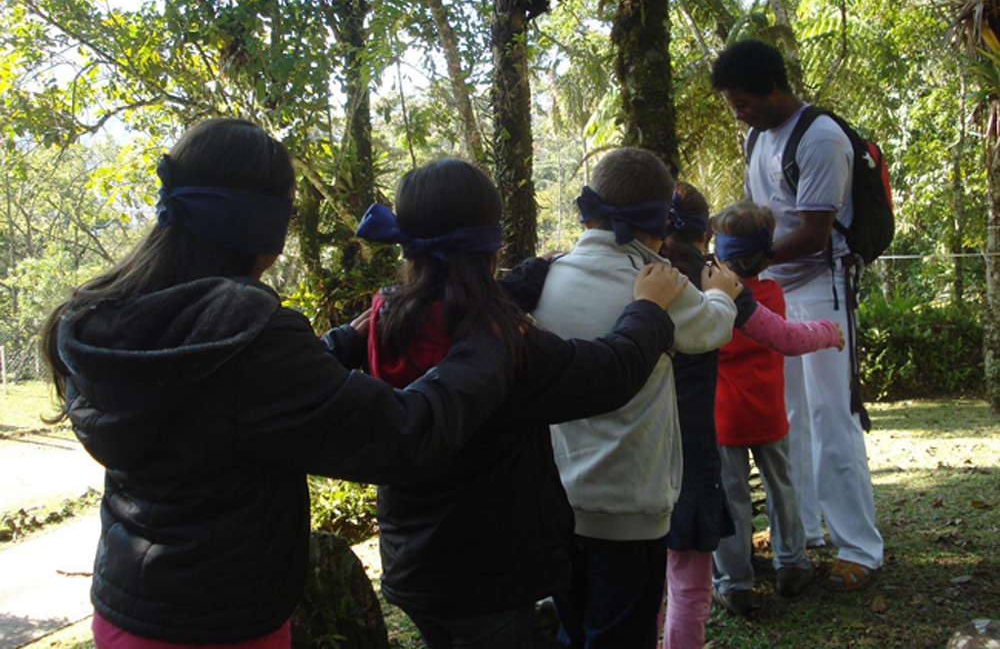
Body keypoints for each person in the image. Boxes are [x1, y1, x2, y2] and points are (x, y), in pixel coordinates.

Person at [41, 118, 535, 648]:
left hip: (126, 609)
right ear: (261, 226)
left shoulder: (102, 317)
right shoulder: (251, 338)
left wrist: (346, 339)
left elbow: (231, 405)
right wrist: (486, 344)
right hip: (222, 627)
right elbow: (403, 433)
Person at [356, 158, 687, 649]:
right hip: (488, 576)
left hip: (412, 562)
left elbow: (456, 306)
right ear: (492, 242)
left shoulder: (386, 316)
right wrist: (648, 310)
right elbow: (609, 373)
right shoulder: (505, 346)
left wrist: (535, 273)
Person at [530, 147, 744, 649]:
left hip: (558, 499)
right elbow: (711, 329)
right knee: (622, 635)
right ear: (659, 222)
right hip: (632, 506)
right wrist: (721, 293)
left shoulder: (545, 279)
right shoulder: (659, 284)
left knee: (573, 629)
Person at [711, 39, 884, 591]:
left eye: (742, 102)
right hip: (768, 293)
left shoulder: (821, 138)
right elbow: (761, 215)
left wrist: (750, 260)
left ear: (772, 88)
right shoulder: (757, 136)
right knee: (785, 419)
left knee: (832, 417)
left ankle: (859, 547)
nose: (736, 111)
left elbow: (812, 232)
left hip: (820, 288)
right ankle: (800, 533)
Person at [710, 199, 844, 616]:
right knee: (782, 490)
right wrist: (829, 331)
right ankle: (792, 563)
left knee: (731, 500)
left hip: (724, 420)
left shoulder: (714, 303)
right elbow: (789, 337)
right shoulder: (772, 295)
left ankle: (735, 582)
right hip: (769, 416)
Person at [655, 181, 755, 649]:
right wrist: (825, 333)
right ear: (705, 232)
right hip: (694, 450)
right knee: (691, 586)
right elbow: (775, 332)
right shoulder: (715, 277)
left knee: (644, 581)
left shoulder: (635, 273)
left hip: (641, 449)